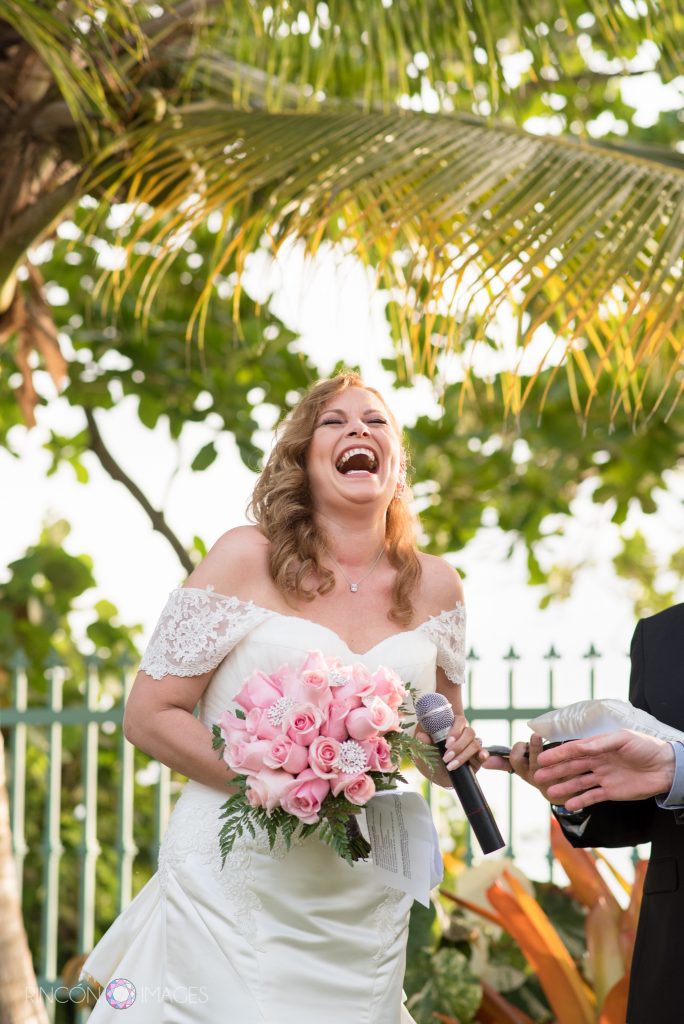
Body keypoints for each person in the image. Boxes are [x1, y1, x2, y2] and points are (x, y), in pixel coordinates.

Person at [80, 371, 485, 1024]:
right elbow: (149, 715)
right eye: (336, 421)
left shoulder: (439, 587)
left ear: (396, 462)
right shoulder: (245, 558)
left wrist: (457, 749)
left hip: (363, 891)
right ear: (302, 457)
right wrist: (280, 782)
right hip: (237, 885)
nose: (359, 429)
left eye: (376, 421)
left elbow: (435, 744)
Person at [487, 603, 684, 1024]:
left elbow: (667, 770)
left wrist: (677, 767)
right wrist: (570, 786)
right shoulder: (660, 634)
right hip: (675, 949)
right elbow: (645, 810)